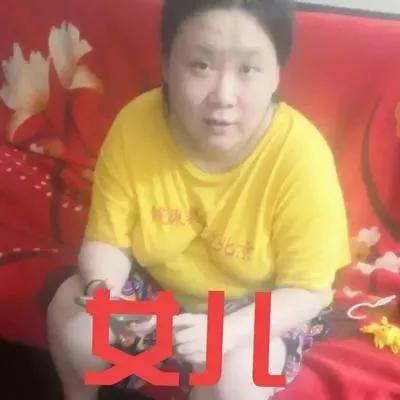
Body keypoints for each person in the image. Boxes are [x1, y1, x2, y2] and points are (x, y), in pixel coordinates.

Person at [47, 0, 351, 399]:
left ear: (276, 73)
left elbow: (309, 290)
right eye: (201, 65)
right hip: (158, 294)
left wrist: (227, 332)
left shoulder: (300, 155)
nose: (223, 96)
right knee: (71, 310)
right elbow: (107, 241)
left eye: (248, 69)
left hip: (257, 310)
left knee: (238, 375)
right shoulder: (136, 125)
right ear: (167, 64)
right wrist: (107, 293)